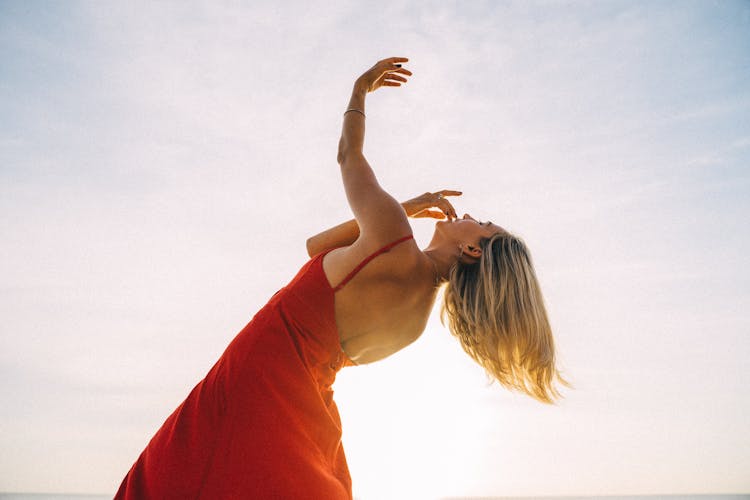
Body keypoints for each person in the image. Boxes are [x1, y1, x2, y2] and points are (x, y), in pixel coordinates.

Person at [115, 57, 568, 499]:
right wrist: (398, 210)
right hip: (306, 420)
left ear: (472, 250)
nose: (470, 214)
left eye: (482, 223)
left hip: (253, 385)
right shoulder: (413, 323)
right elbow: (318, 247)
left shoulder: (392, 238)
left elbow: (348, 155)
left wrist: (359, 90)